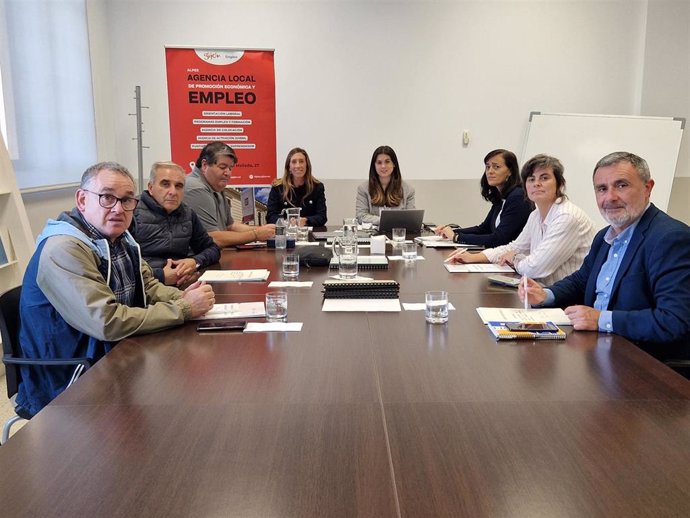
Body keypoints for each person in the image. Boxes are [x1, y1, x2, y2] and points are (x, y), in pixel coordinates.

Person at [17, 162, 216, 417]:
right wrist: (184, 308)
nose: (118, 209)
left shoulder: (117, 238)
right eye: (107, 198)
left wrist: (187, 295)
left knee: (193, 388)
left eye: (126, 200)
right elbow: (106, 321)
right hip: (72, 377)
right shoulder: (64, 250)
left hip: (114, 354)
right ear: (82, 199)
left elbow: (149, 286)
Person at [520, 152, 690, 362]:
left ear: (648, 188)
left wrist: (601, 319)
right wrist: (546, 295)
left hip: (642, 364)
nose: (610, 197)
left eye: (621, 185)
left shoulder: (670, 238)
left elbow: (673, 321)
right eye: (602, 189)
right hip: (598, 351)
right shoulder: (605, 236)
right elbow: (581, 281)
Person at [448, 154, 595, 285]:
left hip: (567, 302)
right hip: (541, 291)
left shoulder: (566, 217)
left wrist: (515, 258)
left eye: (544, 178)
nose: (536, 183)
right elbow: (514, 247)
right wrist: (473, 257)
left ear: (560, 184)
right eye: (531, 179)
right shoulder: (536, 215)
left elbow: (535, 268)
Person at [131, 161, 221, 286]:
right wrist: (160, 276)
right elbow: (120, 267)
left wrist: (194, 262)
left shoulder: (188, 214)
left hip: (181, 284)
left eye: (178, 186)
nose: (173, 192)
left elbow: (213, 250)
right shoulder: (131, 211)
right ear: (151, 188)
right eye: (165, 184)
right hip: (144, 289)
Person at [435, 149, 533, 247]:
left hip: (512, 258)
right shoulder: (501, 197)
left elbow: (499, 238)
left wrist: (456, 237)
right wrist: (451, 231)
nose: (490, 171)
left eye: (496, 167)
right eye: (488, 167)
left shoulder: (518, 197)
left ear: (510, 171)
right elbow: (484, 229)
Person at [184, 142, 275, 247]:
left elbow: (230, 225)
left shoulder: (216, 185)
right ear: (204, 165)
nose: (228, 173)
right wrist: (256, 234)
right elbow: (212, 238)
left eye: (230, 168)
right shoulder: (195, 188)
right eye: (222, 167)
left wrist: (266, 230)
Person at [266, 147, 327, 227]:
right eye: (294, 162)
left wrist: (305, 220)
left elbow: (322, 217)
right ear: (289, 167)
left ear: (307, 165)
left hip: (308, 235)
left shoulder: (317, 187)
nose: (298, 166)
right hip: (285, 234)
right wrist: (286, 221)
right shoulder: (278, 187)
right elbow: (270, 216)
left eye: (301, 161)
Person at [356, 145, 415, 225]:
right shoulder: (363, 189)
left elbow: (411, 218)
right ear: (374, 165)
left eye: (387, 162)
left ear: (394, 164)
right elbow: (361, 216)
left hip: (398, 234)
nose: (383, 166)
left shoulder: (408, 190)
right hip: (372, 236)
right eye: (379, 162)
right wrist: (386, 221)